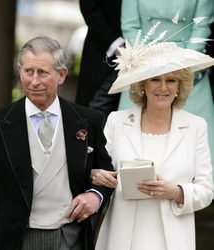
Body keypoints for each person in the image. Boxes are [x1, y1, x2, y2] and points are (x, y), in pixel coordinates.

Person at [0, 36, 114, 250]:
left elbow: (105, 174)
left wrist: (95, 195)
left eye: (43, 73)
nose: (34, 81)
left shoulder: (88, 120)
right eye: (28, 71)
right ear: (20, 71)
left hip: (71, 237)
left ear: (62, 75)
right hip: (16, 239)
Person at [91, 26, 214, 250]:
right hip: (121, 238)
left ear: (180, 86)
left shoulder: (196, 126)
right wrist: (97, 175)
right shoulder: (116, 121)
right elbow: (94, 170)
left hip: (172, 241)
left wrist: (175, 191)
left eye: (171, 80)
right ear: (143, 84)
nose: (163, 88)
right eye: (155, 79)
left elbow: (207, 191)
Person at [118, 0, 214, 168]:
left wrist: (180, 69)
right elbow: (130, 26)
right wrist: (152, 65)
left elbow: (201, 26)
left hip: (188, 74)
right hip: (145, 70)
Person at [75, 0, 123, 124]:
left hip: (148, 57)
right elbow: (89, 7)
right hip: (103, 52)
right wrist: (117, 45)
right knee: (93, 119)